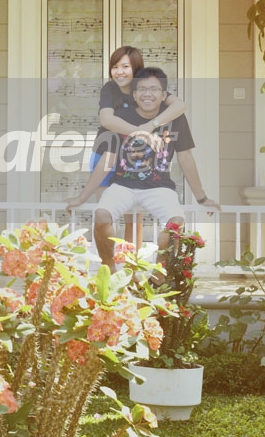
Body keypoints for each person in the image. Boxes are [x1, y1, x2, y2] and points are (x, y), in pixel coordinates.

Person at [67, 67, 219, 270]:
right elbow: (108, 159)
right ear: (134, 94)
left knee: (176, 222)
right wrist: (82, 197)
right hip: (123, 185)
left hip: (159, 187)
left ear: (164, 95)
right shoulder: (121, 117)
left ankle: (159, 275)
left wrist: (202, 198)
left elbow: (185, 158)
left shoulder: (176, 119)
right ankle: (109, 270)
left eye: (154, 89)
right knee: (101, 214)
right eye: (142, 89)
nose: (148, 94)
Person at [89, 46, 187, 241]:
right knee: (106, 216)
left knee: (134, 219)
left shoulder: (146, 89)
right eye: (115, 67)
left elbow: (180, 106)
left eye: (125, 66)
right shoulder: (110, 89)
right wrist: (142, 132)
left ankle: (132, 258)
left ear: (136, 68)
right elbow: (106, 120)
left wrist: (151, 125)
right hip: (106, 153)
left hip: (132, 157)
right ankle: (108, 257)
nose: (119, 72)